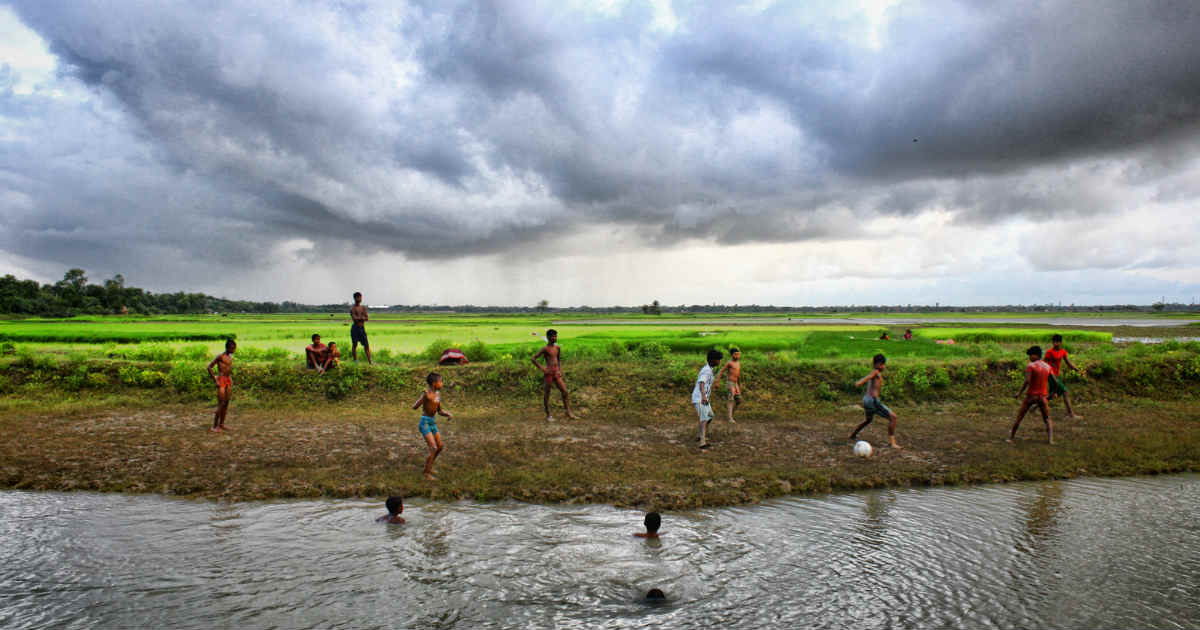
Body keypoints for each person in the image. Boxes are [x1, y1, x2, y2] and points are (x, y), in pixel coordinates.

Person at [849, 353, 901, 449]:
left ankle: (853, 435)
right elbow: (868, 377)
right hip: (872, 401)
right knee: (893, 418)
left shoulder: (876, 373)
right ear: (878, 364)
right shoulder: (876, 372)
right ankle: (892, 443)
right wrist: (859, 382)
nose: (884, 367)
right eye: (883, 364)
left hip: (866, 400)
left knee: (868, 420)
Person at [1010, 346, 1054, 444]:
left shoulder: (1031, 366)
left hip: (1031, 396)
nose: (1029, 357)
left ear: (1036, 355)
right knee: (1047, 418)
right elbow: (1054, 382)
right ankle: (1050, 440)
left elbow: (1027, 381)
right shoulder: (1048, 367)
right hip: (1042, 396)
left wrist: (1019, 393)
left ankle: (1011, 437)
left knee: (1020, 417)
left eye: (1030, 355)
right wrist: (1051, 394)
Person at [413, 372, 453, 480]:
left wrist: (447, 414)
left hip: (432, 422)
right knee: (434, 448)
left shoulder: (438, 394)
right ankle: (426, 473)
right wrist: (424, 397)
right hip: (424, 423)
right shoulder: (426, 394)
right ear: (434, 383)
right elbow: (415, 407)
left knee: (440, 447)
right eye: (441, 381)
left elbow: (439, 410)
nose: (442, 383)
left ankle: (429, 466)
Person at [531, 329, 577, 421]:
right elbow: (533, 359)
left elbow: (558, 360)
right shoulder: (545, 349)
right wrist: (543, 369)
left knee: (565, 391)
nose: (555, 338)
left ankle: (568, 412)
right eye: (552, 336)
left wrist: (559, 370)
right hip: (549, 374)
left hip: (556, 373)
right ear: (548, 337)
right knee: (547, 394)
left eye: (556, 336)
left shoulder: (557, 348)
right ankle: (548, 415)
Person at [1043, 334, 1082, 419]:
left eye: (1057, 342)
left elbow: (1069, 363)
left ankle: (1034, 407)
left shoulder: (1063, 352)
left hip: (1056, 375)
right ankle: (1071, 414)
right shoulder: (1049, 352)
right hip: (1050, 375)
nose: (1055, 344)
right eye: (1053, 342)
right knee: (1065, 392)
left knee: (1052, 394)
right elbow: (1043, 364)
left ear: (1060, 342)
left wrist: (1078, 370)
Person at [205, 339, 236, 432]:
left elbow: (228, 369)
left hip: (227, 380)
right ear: (228, 348)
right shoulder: (220, 356)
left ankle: (222, 424)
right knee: (221, 404)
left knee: (226, 403)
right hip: (221, 380)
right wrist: (215, 380)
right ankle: (214, 426)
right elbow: (209, 367)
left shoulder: (230, 357)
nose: (234, 350)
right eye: (233, 348)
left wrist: (230, 378)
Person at [693, 349, 721, 449]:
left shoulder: (709, 369)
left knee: (710, 416)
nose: (719, 361)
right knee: (704, 419)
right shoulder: (706, 371)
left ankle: (699, 435)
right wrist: (704, 396)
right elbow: (701, 383)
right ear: (713, 360)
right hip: (700, 398)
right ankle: (702, 442)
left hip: (703, 398)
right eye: (718, 359)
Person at [713, 347, 742, 423]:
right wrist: (717, 381)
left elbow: (738, 375)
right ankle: (730, 418)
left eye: (738, 354)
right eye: (736, 354)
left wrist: (739, 385)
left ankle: (730, 414)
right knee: (731, 399)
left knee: (739, 400)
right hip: (730, 383)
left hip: (735, 384)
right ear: (732, 355)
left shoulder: (739, 363)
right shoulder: (729, 363)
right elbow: (721, 371)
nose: (737, 356)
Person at [350, 291, 372, 364]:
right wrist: (362, 317)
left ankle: (370, 361)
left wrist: (360, 318)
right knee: (355, 344)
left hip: (362, 328)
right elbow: (354, 319)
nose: (359, 299)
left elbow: (367, 318)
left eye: (360, 297)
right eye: (358, 297)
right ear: (355, 298)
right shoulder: (353, 309)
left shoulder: (363, 308)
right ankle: (356, 361)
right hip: (355, 328)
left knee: (366, 345)